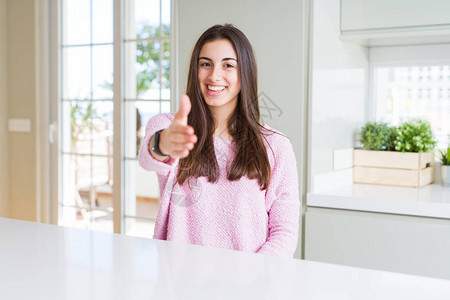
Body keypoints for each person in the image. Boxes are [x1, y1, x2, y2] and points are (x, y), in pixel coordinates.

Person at [138, 24, 299, 258]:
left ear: (245, 72)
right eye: (206, 64)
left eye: (228, 65)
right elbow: (149, 158)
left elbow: (284, 232)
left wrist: (251, 279)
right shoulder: (170, 127)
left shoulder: (276, 146)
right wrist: (163, 144)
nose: (214, 75)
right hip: (179, 282)